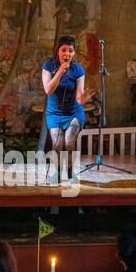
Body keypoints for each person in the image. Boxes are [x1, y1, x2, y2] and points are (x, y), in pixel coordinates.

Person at [42, 35, 91, 181]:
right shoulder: (48, 66)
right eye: (63, 50)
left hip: (74, 112)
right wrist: (60, 71)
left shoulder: (78, 70)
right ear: (58, 51)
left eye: (70, 51)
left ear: (74, 53)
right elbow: (48, 90)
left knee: (69, 141)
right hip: (54, 113)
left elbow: (79, 98)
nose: (67, 54)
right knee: (58, 144)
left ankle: (70, 171)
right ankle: (56, 172)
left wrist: (83, 98)